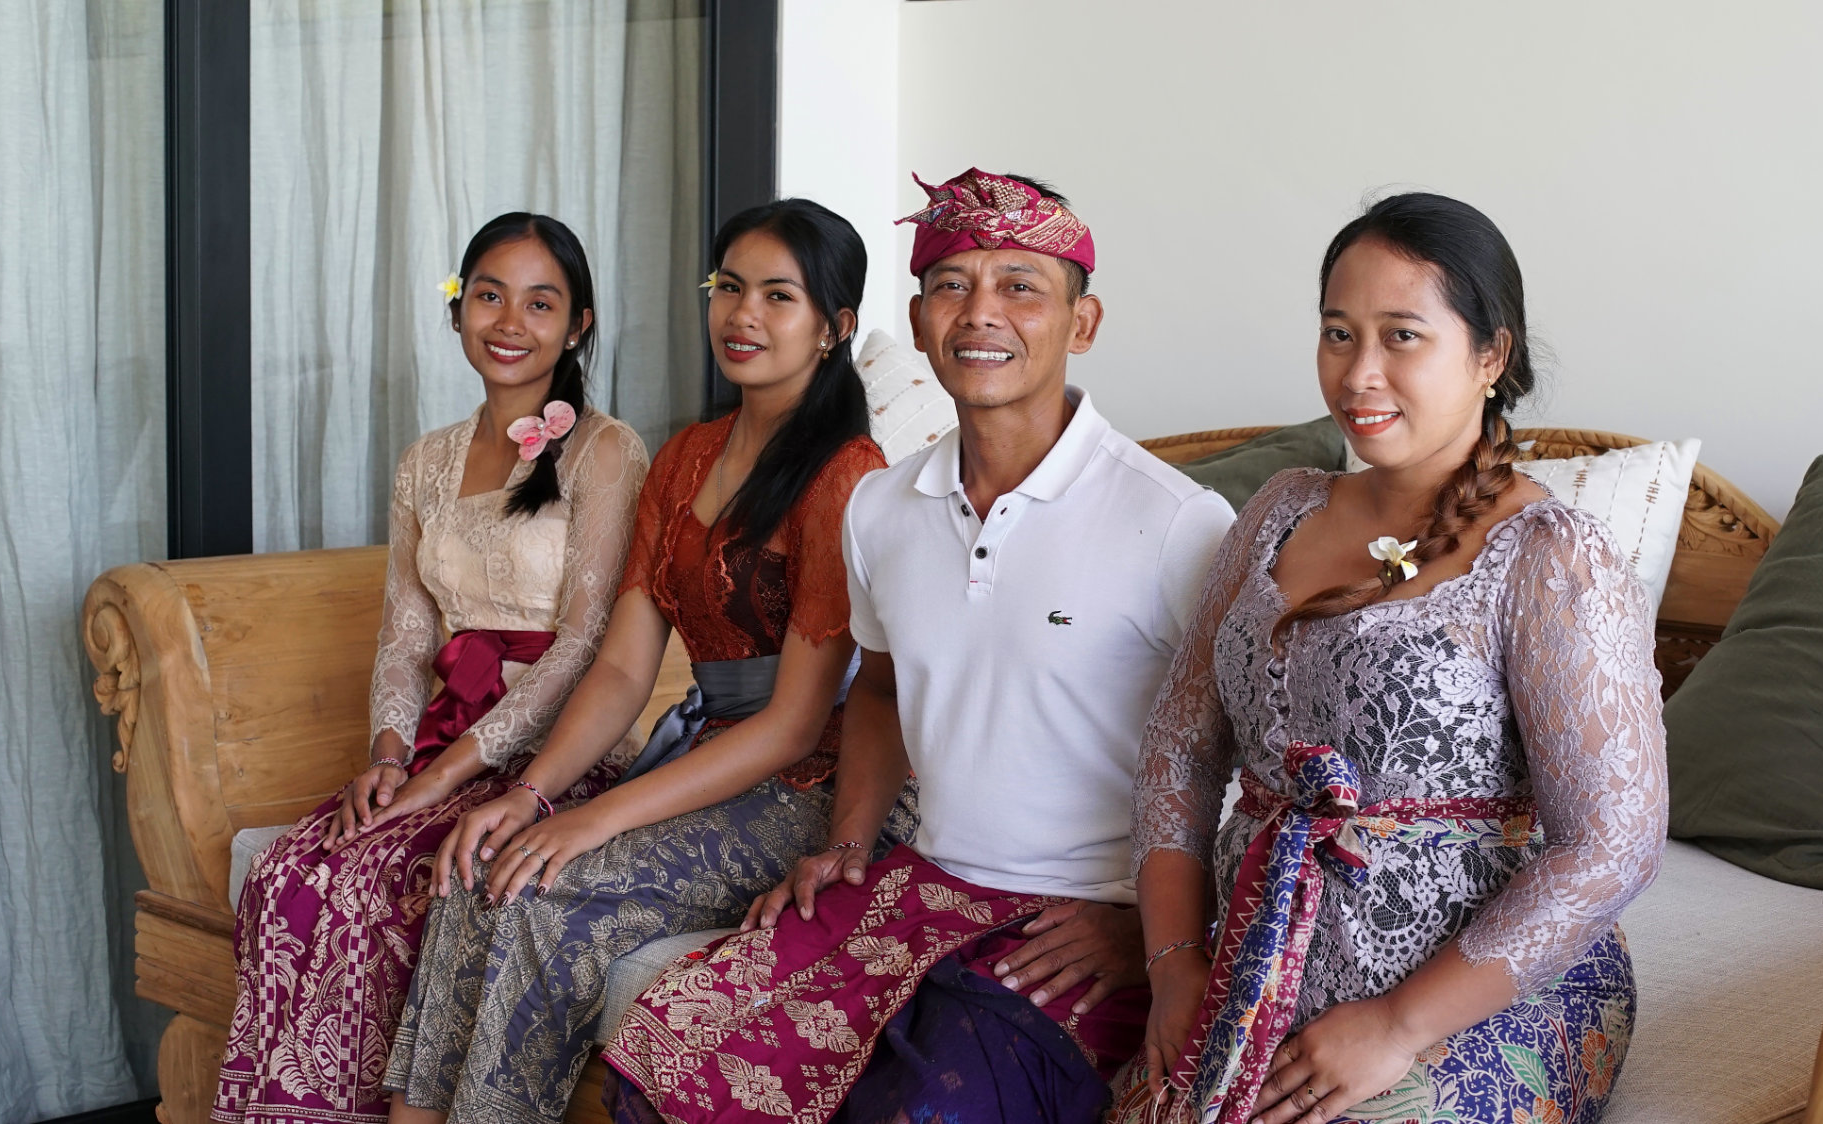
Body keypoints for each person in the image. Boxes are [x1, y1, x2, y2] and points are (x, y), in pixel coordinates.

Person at [603, 168, 1236, 1124]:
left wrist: (1160, 935)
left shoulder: (1178, 521)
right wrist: (848, 842)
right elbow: (880, 689)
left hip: (1080, 922)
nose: (981, 312)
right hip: (922, 885)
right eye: (951, 285)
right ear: (918, 312)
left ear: (1085, 321)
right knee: (663, 1056)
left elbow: (1245, 762)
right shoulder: (880, 506)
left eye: (1021, 284)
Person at [1114, 193, 1667, 1124]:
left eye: (1402, 335)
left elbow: (1611, 844)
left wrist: (1400, 1027)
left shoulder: (1548, 554)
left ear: (1491, 356)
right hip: (1251, 957)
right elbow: (1181, 747)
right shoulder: (1279, 508)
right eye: (1338, 332)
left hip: (1475, 992)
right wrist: (1174, 967)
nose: (1358, 373)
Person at [380, 197, 904, 1124]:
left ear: (836, 327)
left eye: (779, 296)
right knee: (484, 864)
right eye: (729, 287)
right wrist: (532, 797)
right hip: (703, 753)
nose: (744, 315)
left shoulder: (848, 475)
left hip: (803, 785)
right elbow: (622, 669)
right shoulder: (686, 457)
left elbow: (791, 723)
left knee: (540, 892)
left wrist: (594, 823)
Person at [215, 212, 650, 1124]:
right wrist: (386, 756)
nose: (509, 322)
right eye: (488, 295)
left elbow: (582, 644)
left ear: (578, 324)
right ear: (457, 309)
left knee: (385, 882)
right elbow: (407, 635)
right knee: (294, 871)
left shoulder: (606, 451)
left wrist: (444, 776)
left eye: (541, 303)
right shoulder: (426, 461)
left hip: (553, 754)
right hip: (441, 739)